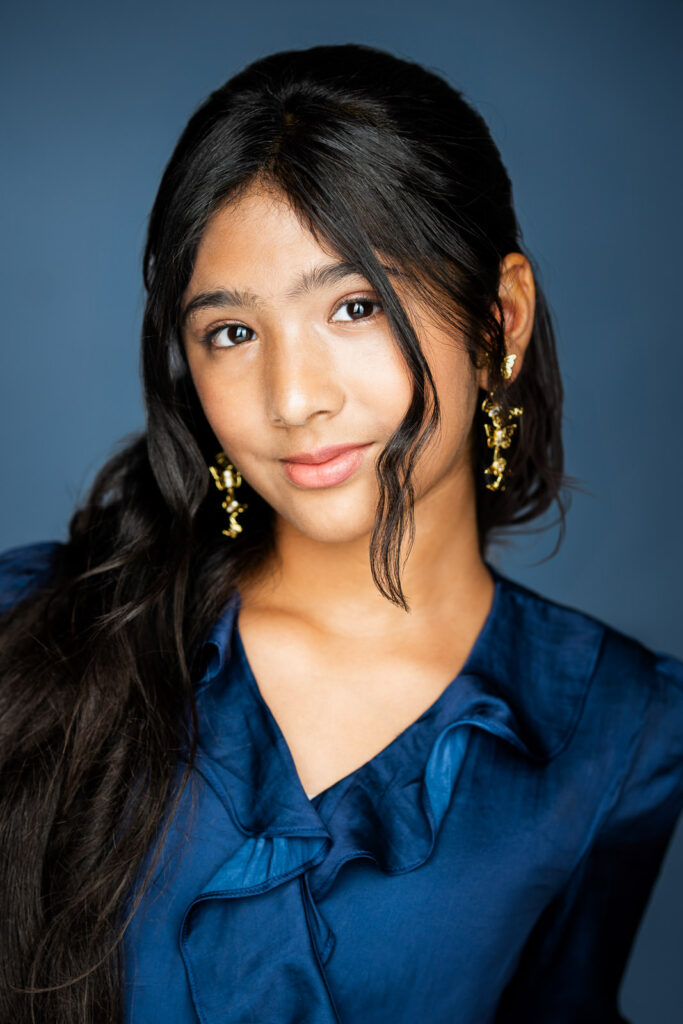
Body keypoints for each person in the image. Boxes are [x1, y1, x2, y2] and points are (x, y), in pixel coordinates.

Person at [0, 42, 681, 1024]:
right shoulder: (33, 631)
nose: (291, 398)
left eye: (354, 306)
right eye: (230, 332)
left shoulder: (621, 731)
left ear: (497, 322)